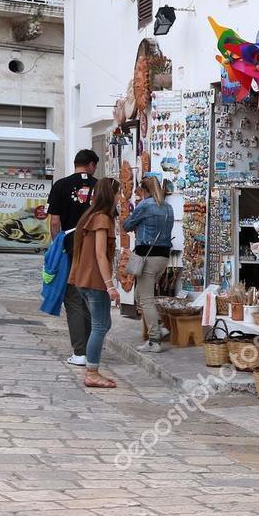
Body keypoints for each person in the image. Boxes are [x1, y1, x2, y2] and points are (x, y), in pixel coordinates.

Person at [47, 149, 99, 367]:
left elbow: (54, 221)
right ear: (90, 165)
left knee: (72, 297)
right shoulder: (101, 186)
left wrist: (56, 244)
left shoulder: (60, 185)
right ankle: (91, 349)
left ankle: (80, 352)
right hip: (95, 245)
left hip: (69, 245)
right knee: (91, 296)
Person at [67, 177, 120, 388]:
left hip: (84, 278)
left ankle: (93, 369)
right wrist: (110, 285)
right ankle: (92, 372)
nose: (120, 197)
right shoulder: (102, 219)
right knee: (100, 326)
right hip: (94, 280)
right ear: (110, 195)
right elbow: (100, 254)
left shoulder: (90, 216)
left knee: (103, 324)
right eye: (119, 192)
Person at [124, 175, 175, 352]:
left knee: (145, 299)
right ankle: (160, 325)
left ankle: (155, 339)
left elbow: (127, 225)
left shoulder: (145, 205)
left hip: (147, 256)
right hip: (163, 257)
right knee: (140, 294)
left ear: (144, 190)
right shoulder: (168, 207)